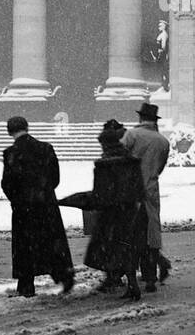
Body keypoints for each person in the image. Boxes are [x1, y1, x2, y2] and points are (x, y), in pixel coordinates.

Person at [61, 120, 149, 300]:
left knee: (108, 249)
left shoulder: (104, 165)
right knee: (126, 248)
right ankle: (131, 285)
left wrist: (77, 201)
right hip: (131, 211)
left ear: (105, 144)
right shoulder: (132, 161)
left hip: (112, 214)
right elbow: (139, 190)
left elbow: (100, 196)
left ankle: (117, 280)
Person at [0, 116, 75, 297]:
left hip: (23, 208)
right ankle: (63, 274)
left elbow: (7, 183)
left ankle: (26, 284)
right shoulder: (45, 148)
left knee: (25, 246)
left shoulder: (11, 153)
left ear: (10, 131)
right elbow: (55, 177)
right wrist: (44, 192)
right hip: (45, 204)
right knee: (51, 241)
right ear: (27, 127)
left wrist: (18, 199)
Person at [122, 102, 171, 291]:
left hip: (130, 190)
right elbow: (160, 167)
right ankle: (151, 278)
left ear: (141, 118)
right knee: (150, 235)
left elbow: (121, 159)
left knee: (131, 235)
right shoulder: (162, 141)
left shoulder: (132, 135)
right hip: (150, 189)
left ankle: (131, 277)